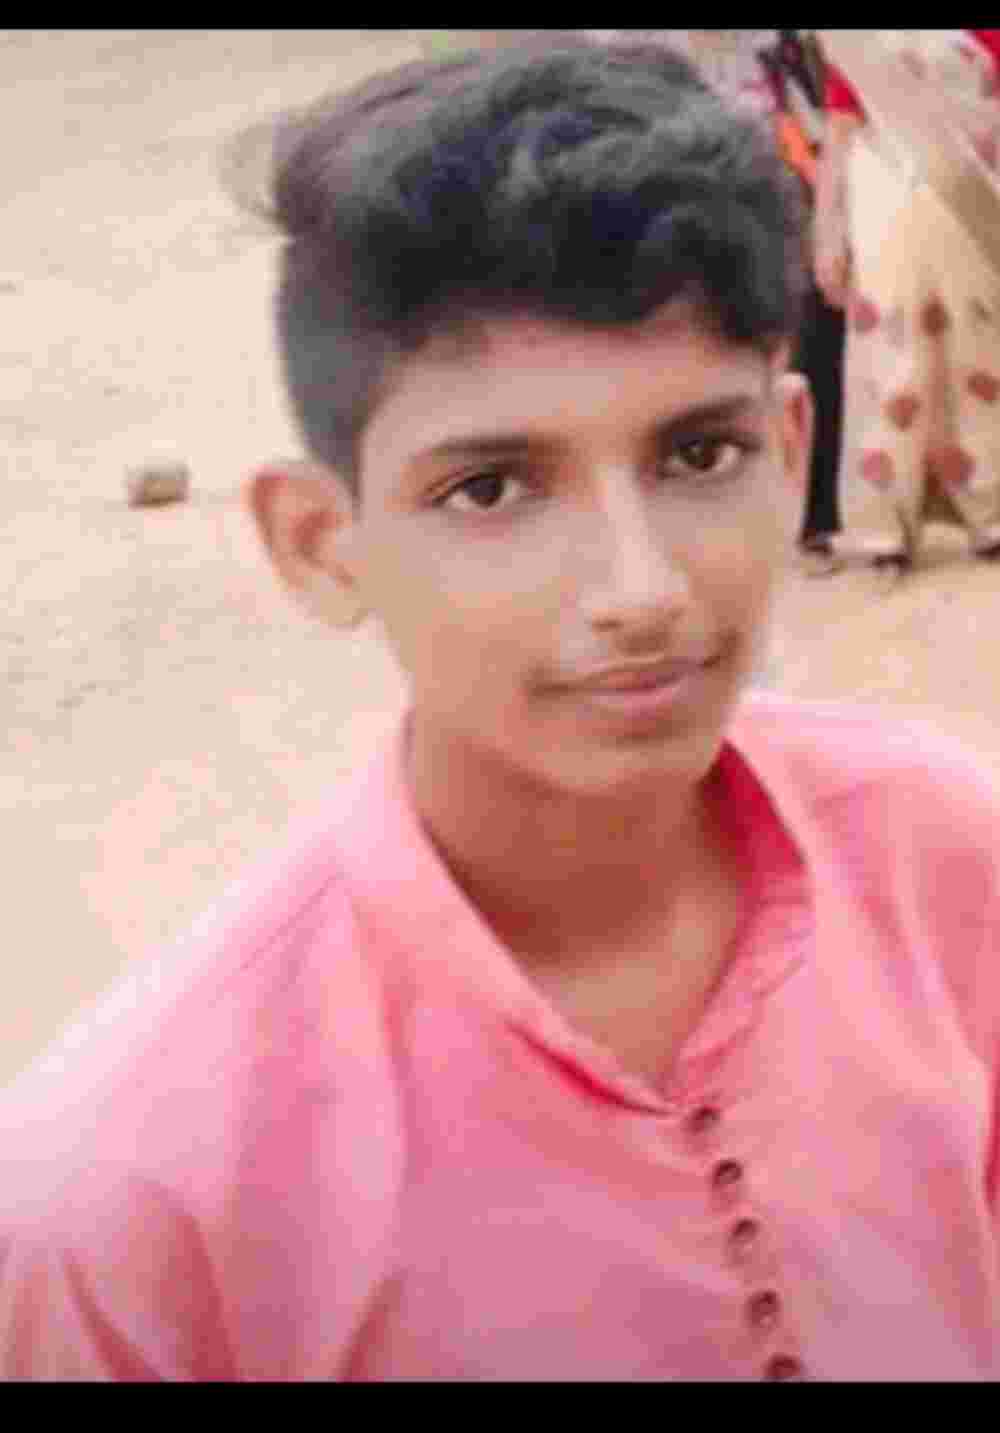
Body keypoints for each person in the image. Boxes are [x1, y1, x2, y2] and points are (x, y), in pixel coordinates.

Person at [3, 34, 1000, 1381]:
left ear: (791, 450)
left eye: (699, 454)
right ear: (320, 543)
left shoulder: (948, 870)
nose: (640, 590)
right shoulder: (133, 1209)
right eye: (490, 489)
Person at [809, 28, 1000, 572]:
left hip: (970, 196)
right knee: (890, 353)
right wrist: (827, 232)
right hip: (884, 197)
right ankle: (884, 524)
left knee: (979, 349)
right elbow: (839, 134)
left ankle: (990, 510)